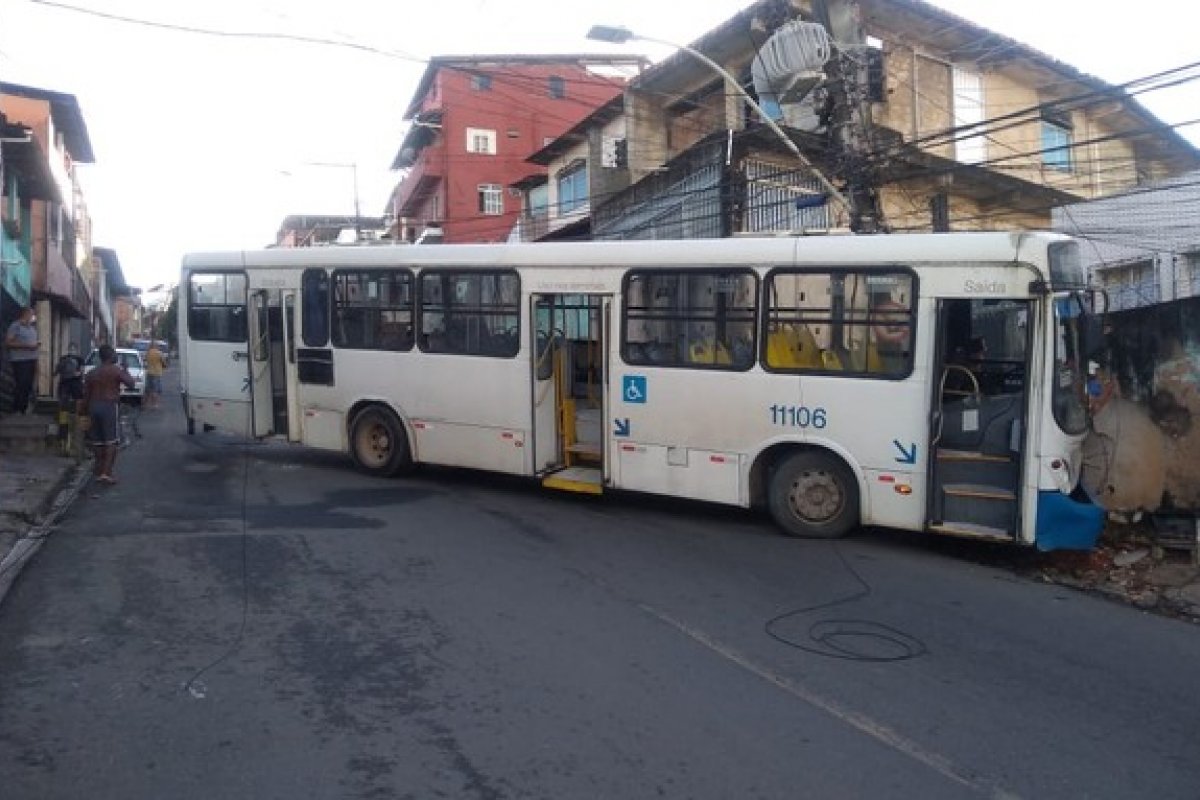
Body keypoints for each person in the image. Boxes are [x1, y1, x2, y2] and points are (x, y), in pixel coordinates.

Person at [78, 344, 135, 485]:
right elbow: (131, 384)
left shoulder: (92, 373)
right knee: (111, 441)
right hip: (109, 406)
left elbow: (85, 395)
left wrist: (83, 412)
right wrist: (126, 369)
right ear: (110, 356)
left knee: (97, 441)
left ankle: (99, 469)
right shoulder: (115, 371)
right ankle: (106, 473)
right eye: (114, 354)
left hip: (93, 406)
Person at [4, 306, 39, 414]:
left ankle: (23, 409)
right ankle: (16, 409)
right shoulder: (15, 326)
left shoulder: (32, 328)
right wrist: (27, 346)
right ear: (25, 314)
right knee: (21, 384)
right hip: (20, 360)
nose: (33, 317)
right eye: (31, 314)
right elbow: (8, 343)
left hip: (31, 360)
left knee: (28, 385)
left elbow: (33, 345)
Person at [144, 340, 165, 410]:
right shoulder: (159, 353)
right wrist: (163, 366)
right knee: (155, 390)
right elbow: (163, 363)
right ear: (156, 346)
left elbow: (145, 360)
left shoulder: (148, 353)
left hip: (149, 372)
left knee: (148, 389)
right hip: (157, 373)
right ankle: (155, 404)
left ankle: (146, 404)